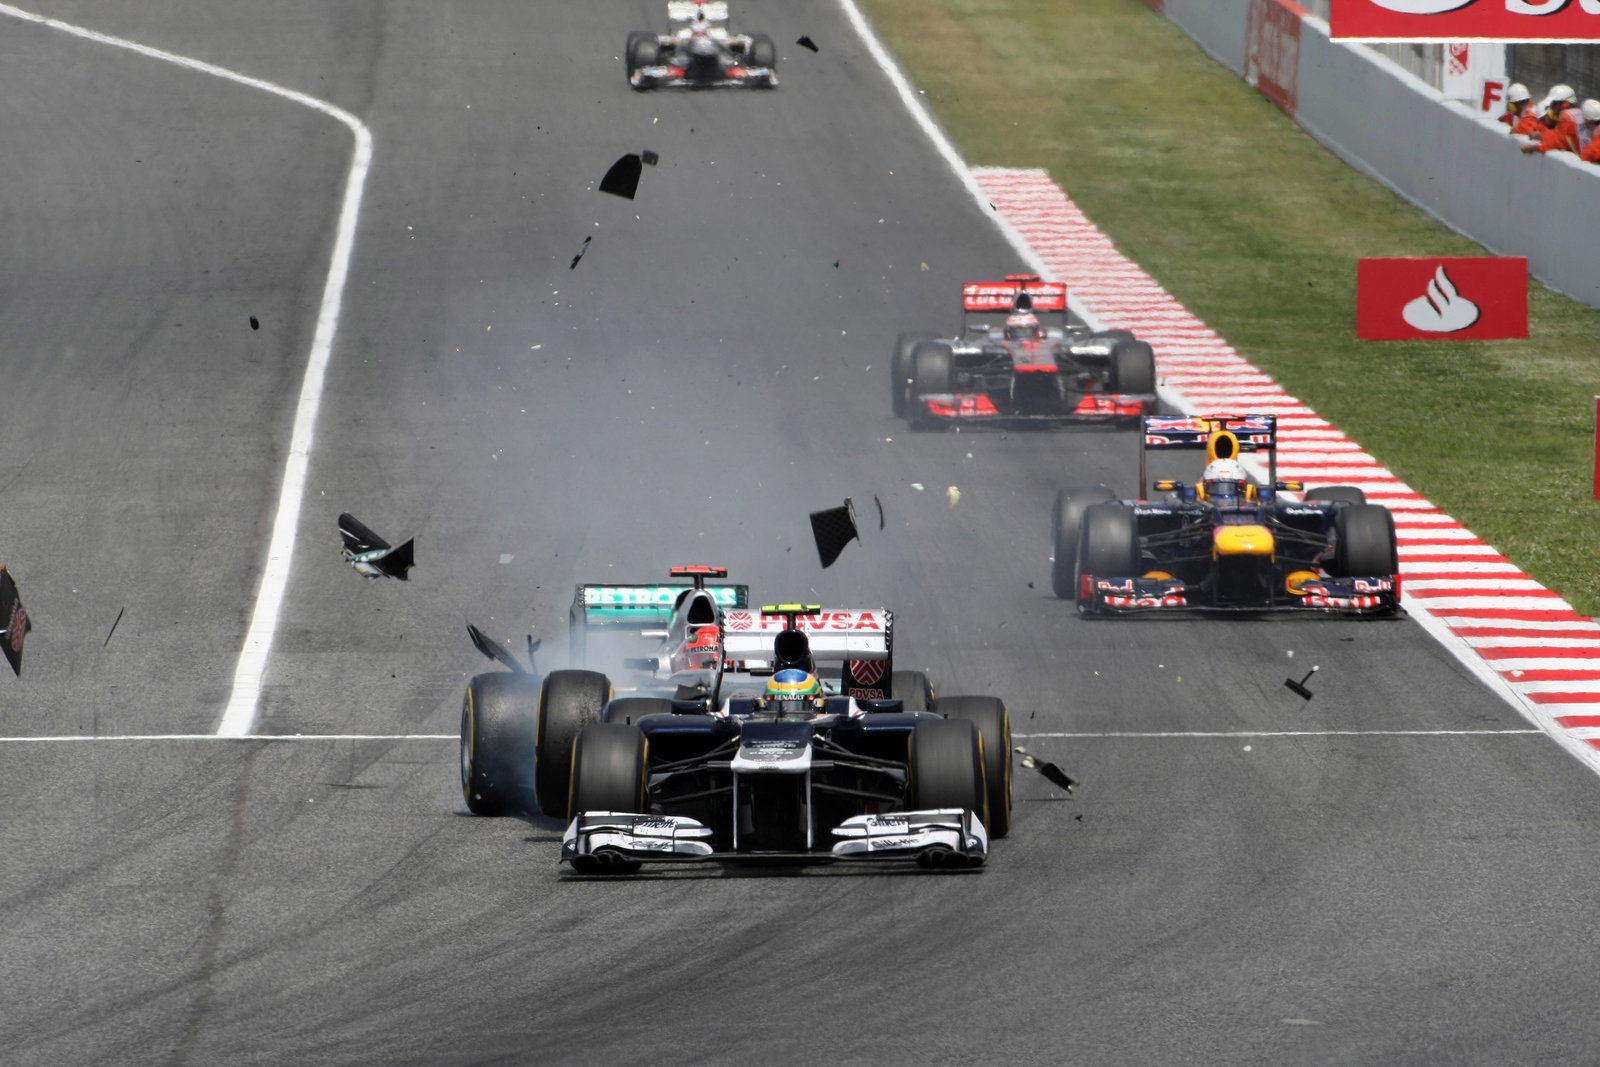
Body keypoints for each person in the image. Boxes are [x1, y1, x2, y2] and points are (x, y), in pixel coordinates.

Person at [1522, 85, 1582, 154]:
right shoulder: (1575, 116)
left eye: (1554, 104)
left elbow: (1559, 141)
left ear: (1565, 105)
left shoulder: (1569, 120)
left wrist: (1537, 144)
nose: (1552, 108)